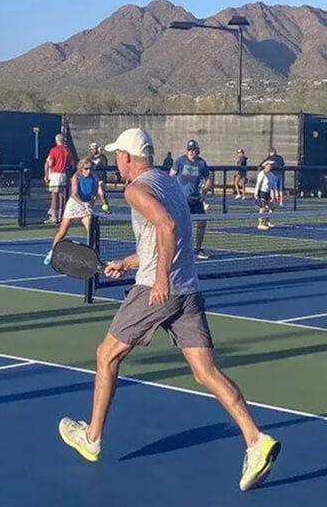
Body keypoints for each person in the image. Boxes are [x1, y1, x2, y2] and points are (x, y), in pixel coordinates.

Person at [57, 128, 280, 491]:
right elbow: (160, 236)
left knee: (106, 356)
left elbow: (167, 225)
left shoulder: (134, 189)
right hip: (188, 290)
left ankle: (92, 438)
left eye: (118, 156)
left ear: (127, 158)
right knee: (205, 372)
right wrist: (129, 262)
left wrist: (159, 280)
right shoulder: (169, 181)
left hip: (158, 291)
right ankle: (256, 441)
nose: (115, 161)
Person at [44, 158, 101, 265]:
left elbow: (94, 192)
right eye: (86, 168)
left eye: (90, 168)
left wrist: (91, 201)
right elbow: (74, 194)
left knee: (92, 231)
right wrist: (83, 203)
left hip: (86, 205)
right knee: (62, 232)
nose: (88, 171)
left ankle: (91, 257)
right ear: (81, 168)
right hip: (74, 205)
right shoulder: (76, 177)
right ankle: (52, 252)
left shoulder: (94, 177)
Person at [170, 139, 211, 260]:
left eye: (194, 150)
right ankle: (176, 248)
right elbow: (170, 176)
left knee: (202, 222)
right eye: (189, 150)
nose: (191, 153)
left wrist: (205, 191)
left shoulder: (201, 163)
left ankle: (198, 248)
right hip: (182, 200)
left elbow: (208, 179)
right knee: (179, 225)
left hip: (196, 200)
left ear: (198, 151)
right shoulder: (180, 162)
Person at [44, 133, 74, 224]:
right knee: (62, 196)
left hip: (55, 174)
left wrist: (46, 176)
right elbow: (72, 164)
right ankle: (62, 215)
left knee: (54, 195)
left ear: (56, 140)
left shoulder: (54, 150)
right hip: (64, 175)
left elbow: (49, 164)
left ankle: (54, 216)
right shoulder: (68, 150)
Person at [254, 160, 277, 230]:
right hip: (261, 192)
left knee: (272, 207)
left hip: (268, 193)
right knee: (263, 208)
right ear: (265, 166)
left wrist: (274, 194)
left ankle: (267, 221)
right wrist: (256, 194)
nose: (270, 167)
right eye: (269, 166)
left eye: (271, 166)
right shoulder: (262, 174)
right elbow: (258, 184)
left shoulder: (271, 175)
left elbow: (273, 186)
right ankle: (260, 224)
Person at [89, 142, 111, 212]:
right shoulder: (90, 158)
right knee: (92, 195)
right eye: (92, 149)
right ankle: (88, 209)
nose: (93, 151)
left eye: (94, 149)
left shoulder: (102, 157)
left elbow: (104, 165)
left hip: (100, 179)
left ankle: (106, 208)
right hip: (93, 179)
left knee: (102, 194)